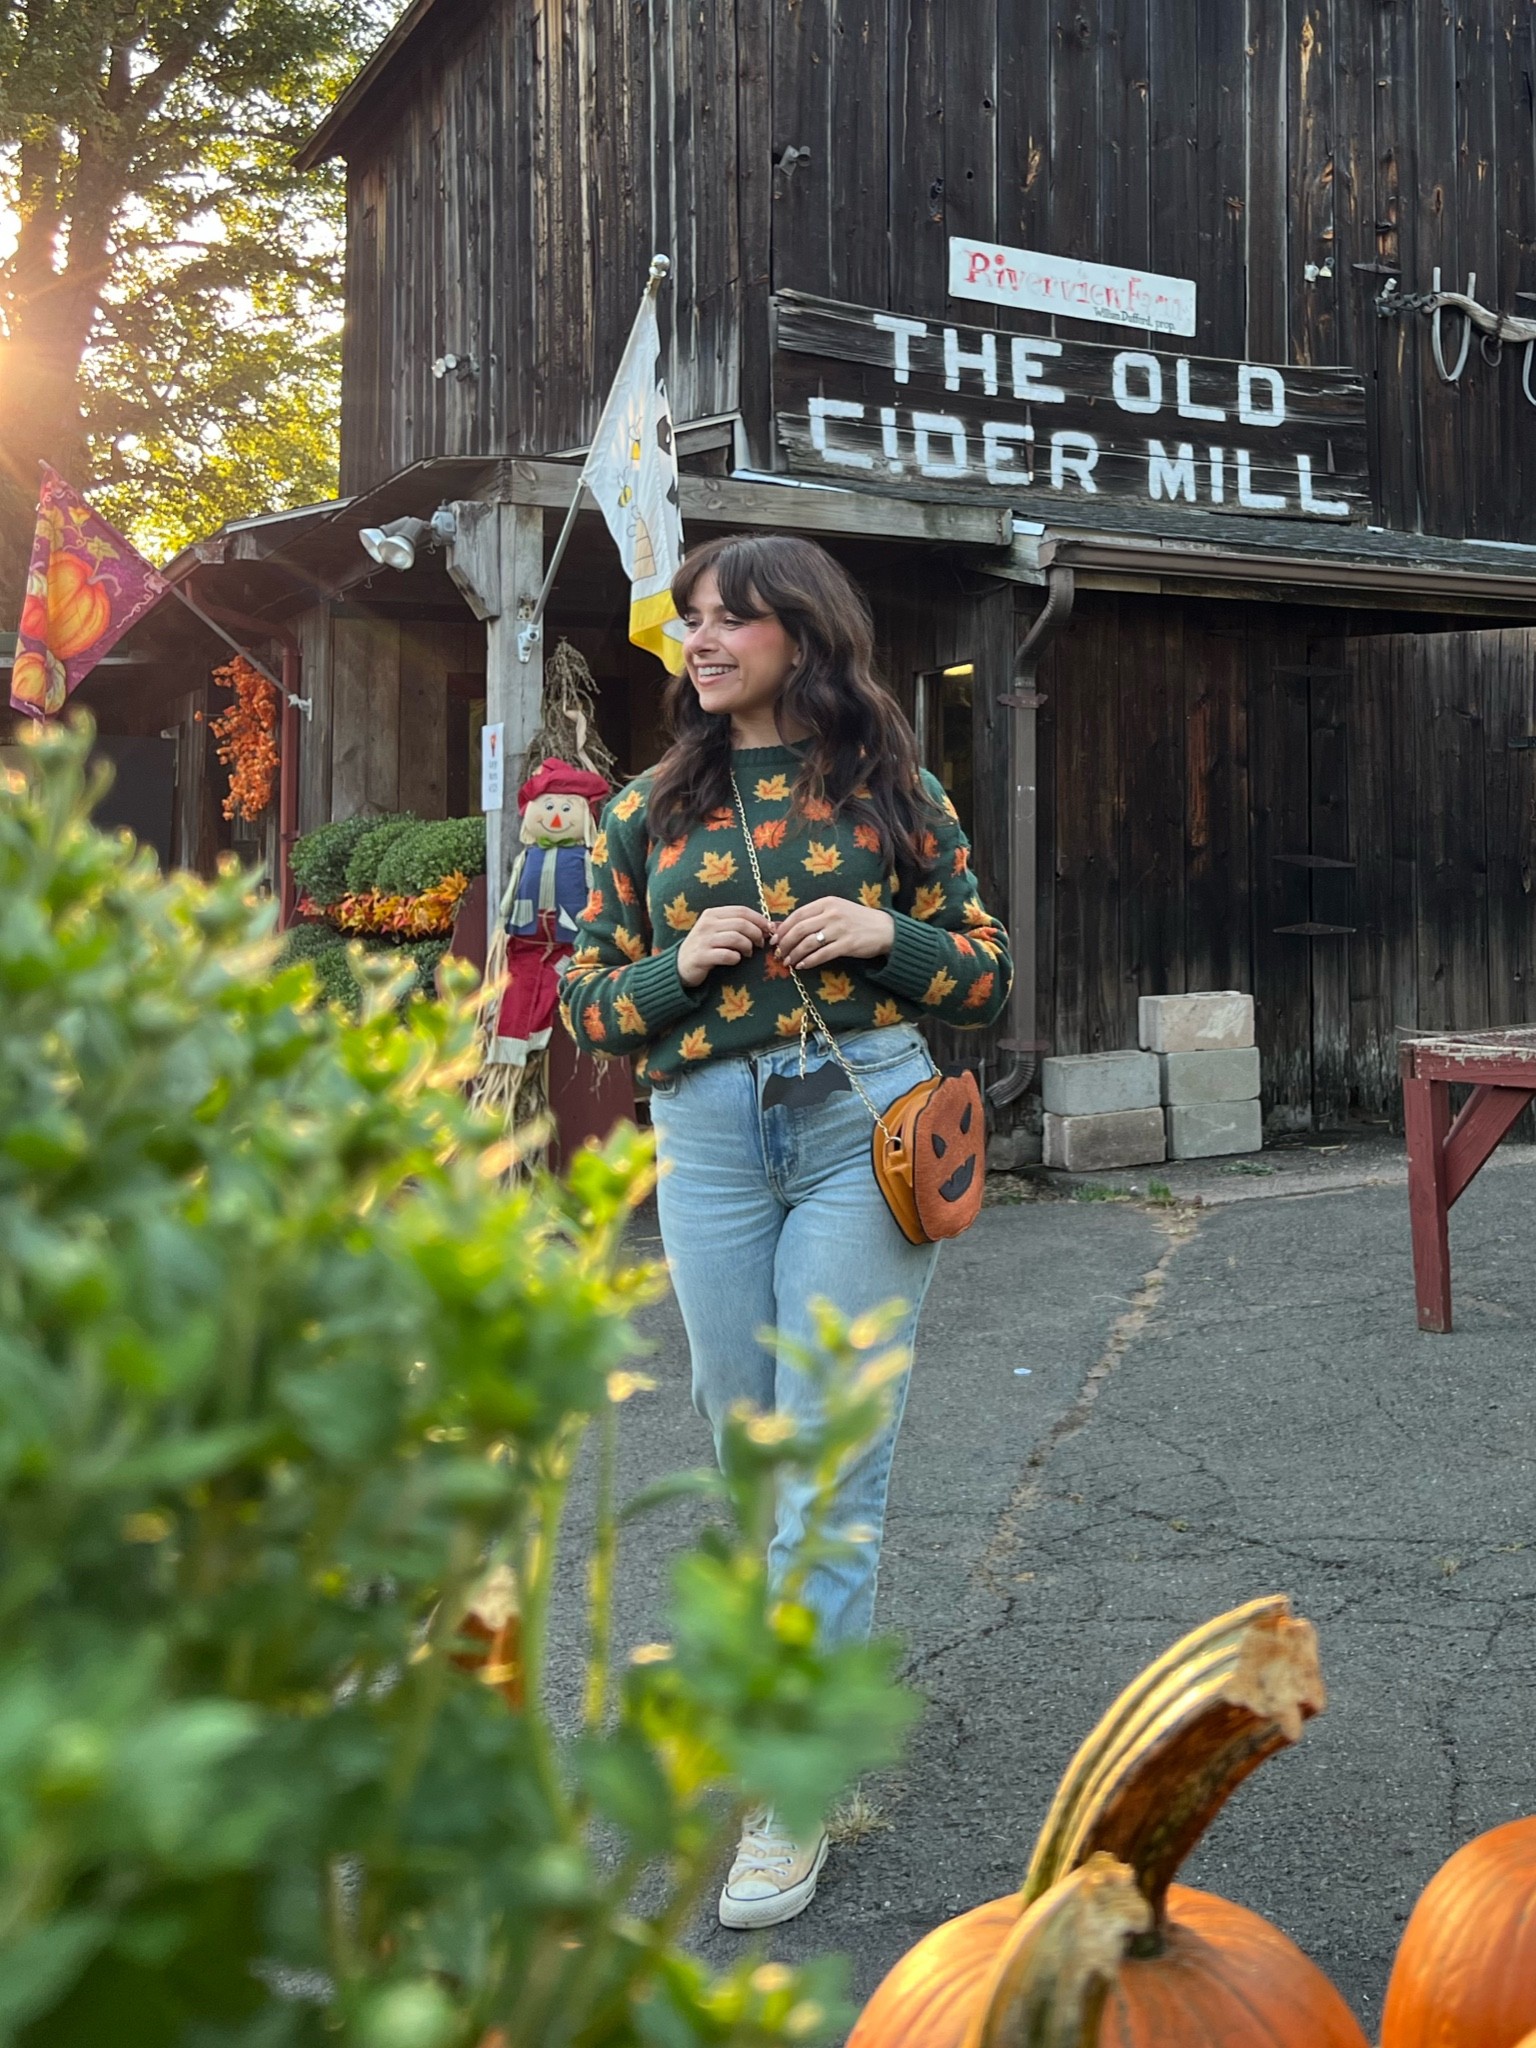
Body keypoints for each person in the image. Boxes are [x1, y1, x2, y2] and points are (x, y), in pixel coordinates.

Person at [561, 533, 1011, 1929]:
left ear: (801, 637)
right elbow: (583, 1003)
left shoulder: (892, 791)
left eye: (730, 619)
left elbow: (985, 974)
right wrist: (674, 968)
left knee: (826, 1458)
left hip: (860, 1125)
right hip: (703, 1139)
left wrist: (884, 939)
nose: (698, 640)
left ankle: (790, 1780)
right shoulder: (644, 809)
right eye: (690, 618)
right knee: (745, 1440)